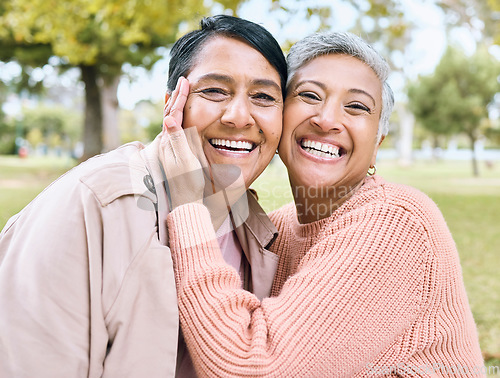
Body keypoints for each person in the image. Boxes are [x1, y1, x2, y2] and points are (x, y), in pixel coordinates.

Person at [161, 32, 485, 376]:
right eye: (310, 95)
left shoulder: (397, 224)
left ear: (377, 144)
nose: (327, 119)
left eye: (357, 106)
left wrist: (188, 203)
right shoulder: (276, 228)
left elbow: (251, 370)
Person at [0, 15, 287, 377]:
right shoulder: (97, 203)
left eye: (263, 97)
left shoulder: (257, 231)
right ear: (172, 103)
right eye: (215, 91)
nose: (239, 116)